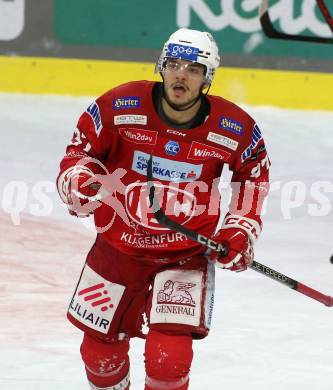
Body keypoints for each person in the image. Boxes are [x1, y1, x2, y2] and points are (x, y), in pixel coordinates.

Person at [57, 28, 270, 390]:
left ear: (207, 78)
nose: (180, 75)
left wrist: (240, 231)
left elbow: (253, 179)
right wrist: (80, 180)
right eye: (173, 64)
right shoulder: (120, 106)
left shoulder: (234, 127)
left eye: (193, 68)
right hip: (118, 249)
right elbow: (80, 154)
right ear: (162, 66)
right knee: (98, 354)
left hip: (185, 254)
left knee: (169, 362)